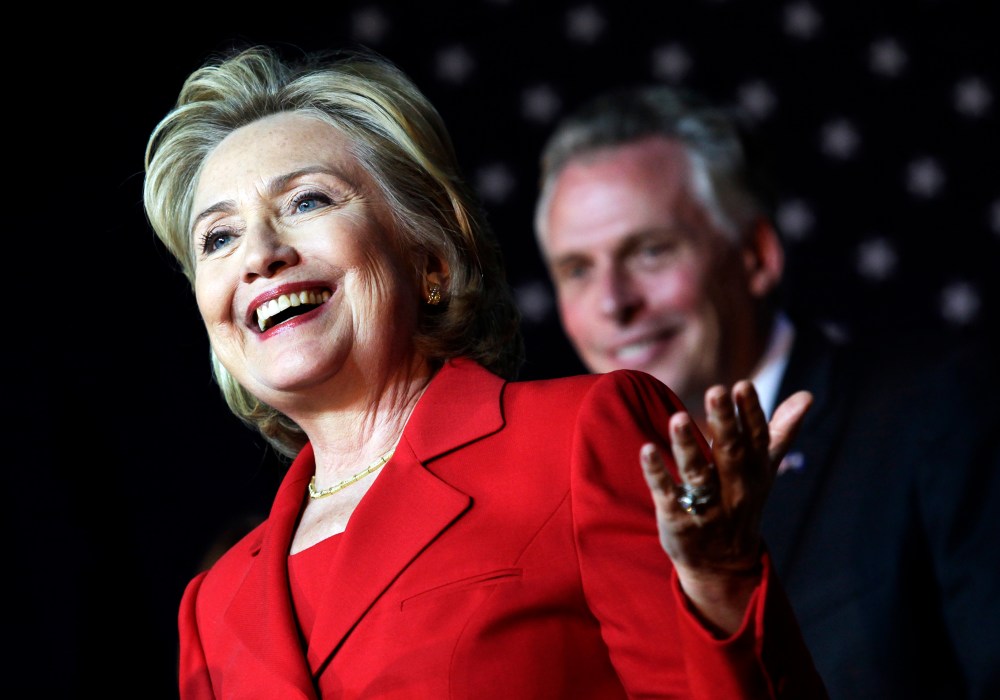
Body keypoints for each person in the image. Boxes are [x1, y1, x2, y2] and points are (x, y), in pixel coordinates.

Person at [143, 44, 829, 698]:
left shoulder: (579, 439)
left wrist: (717, 591)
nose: (259, 254)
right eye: (219, 237)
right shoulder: (213, 604)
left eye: (307, 201)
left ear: (430, 260)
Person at [533, 85, 1000, 699]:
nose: (613, 304)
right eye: (578, 270)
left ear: (756, 255)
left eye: (649, 252)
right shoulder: (560, 497)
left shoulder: (935, 409)